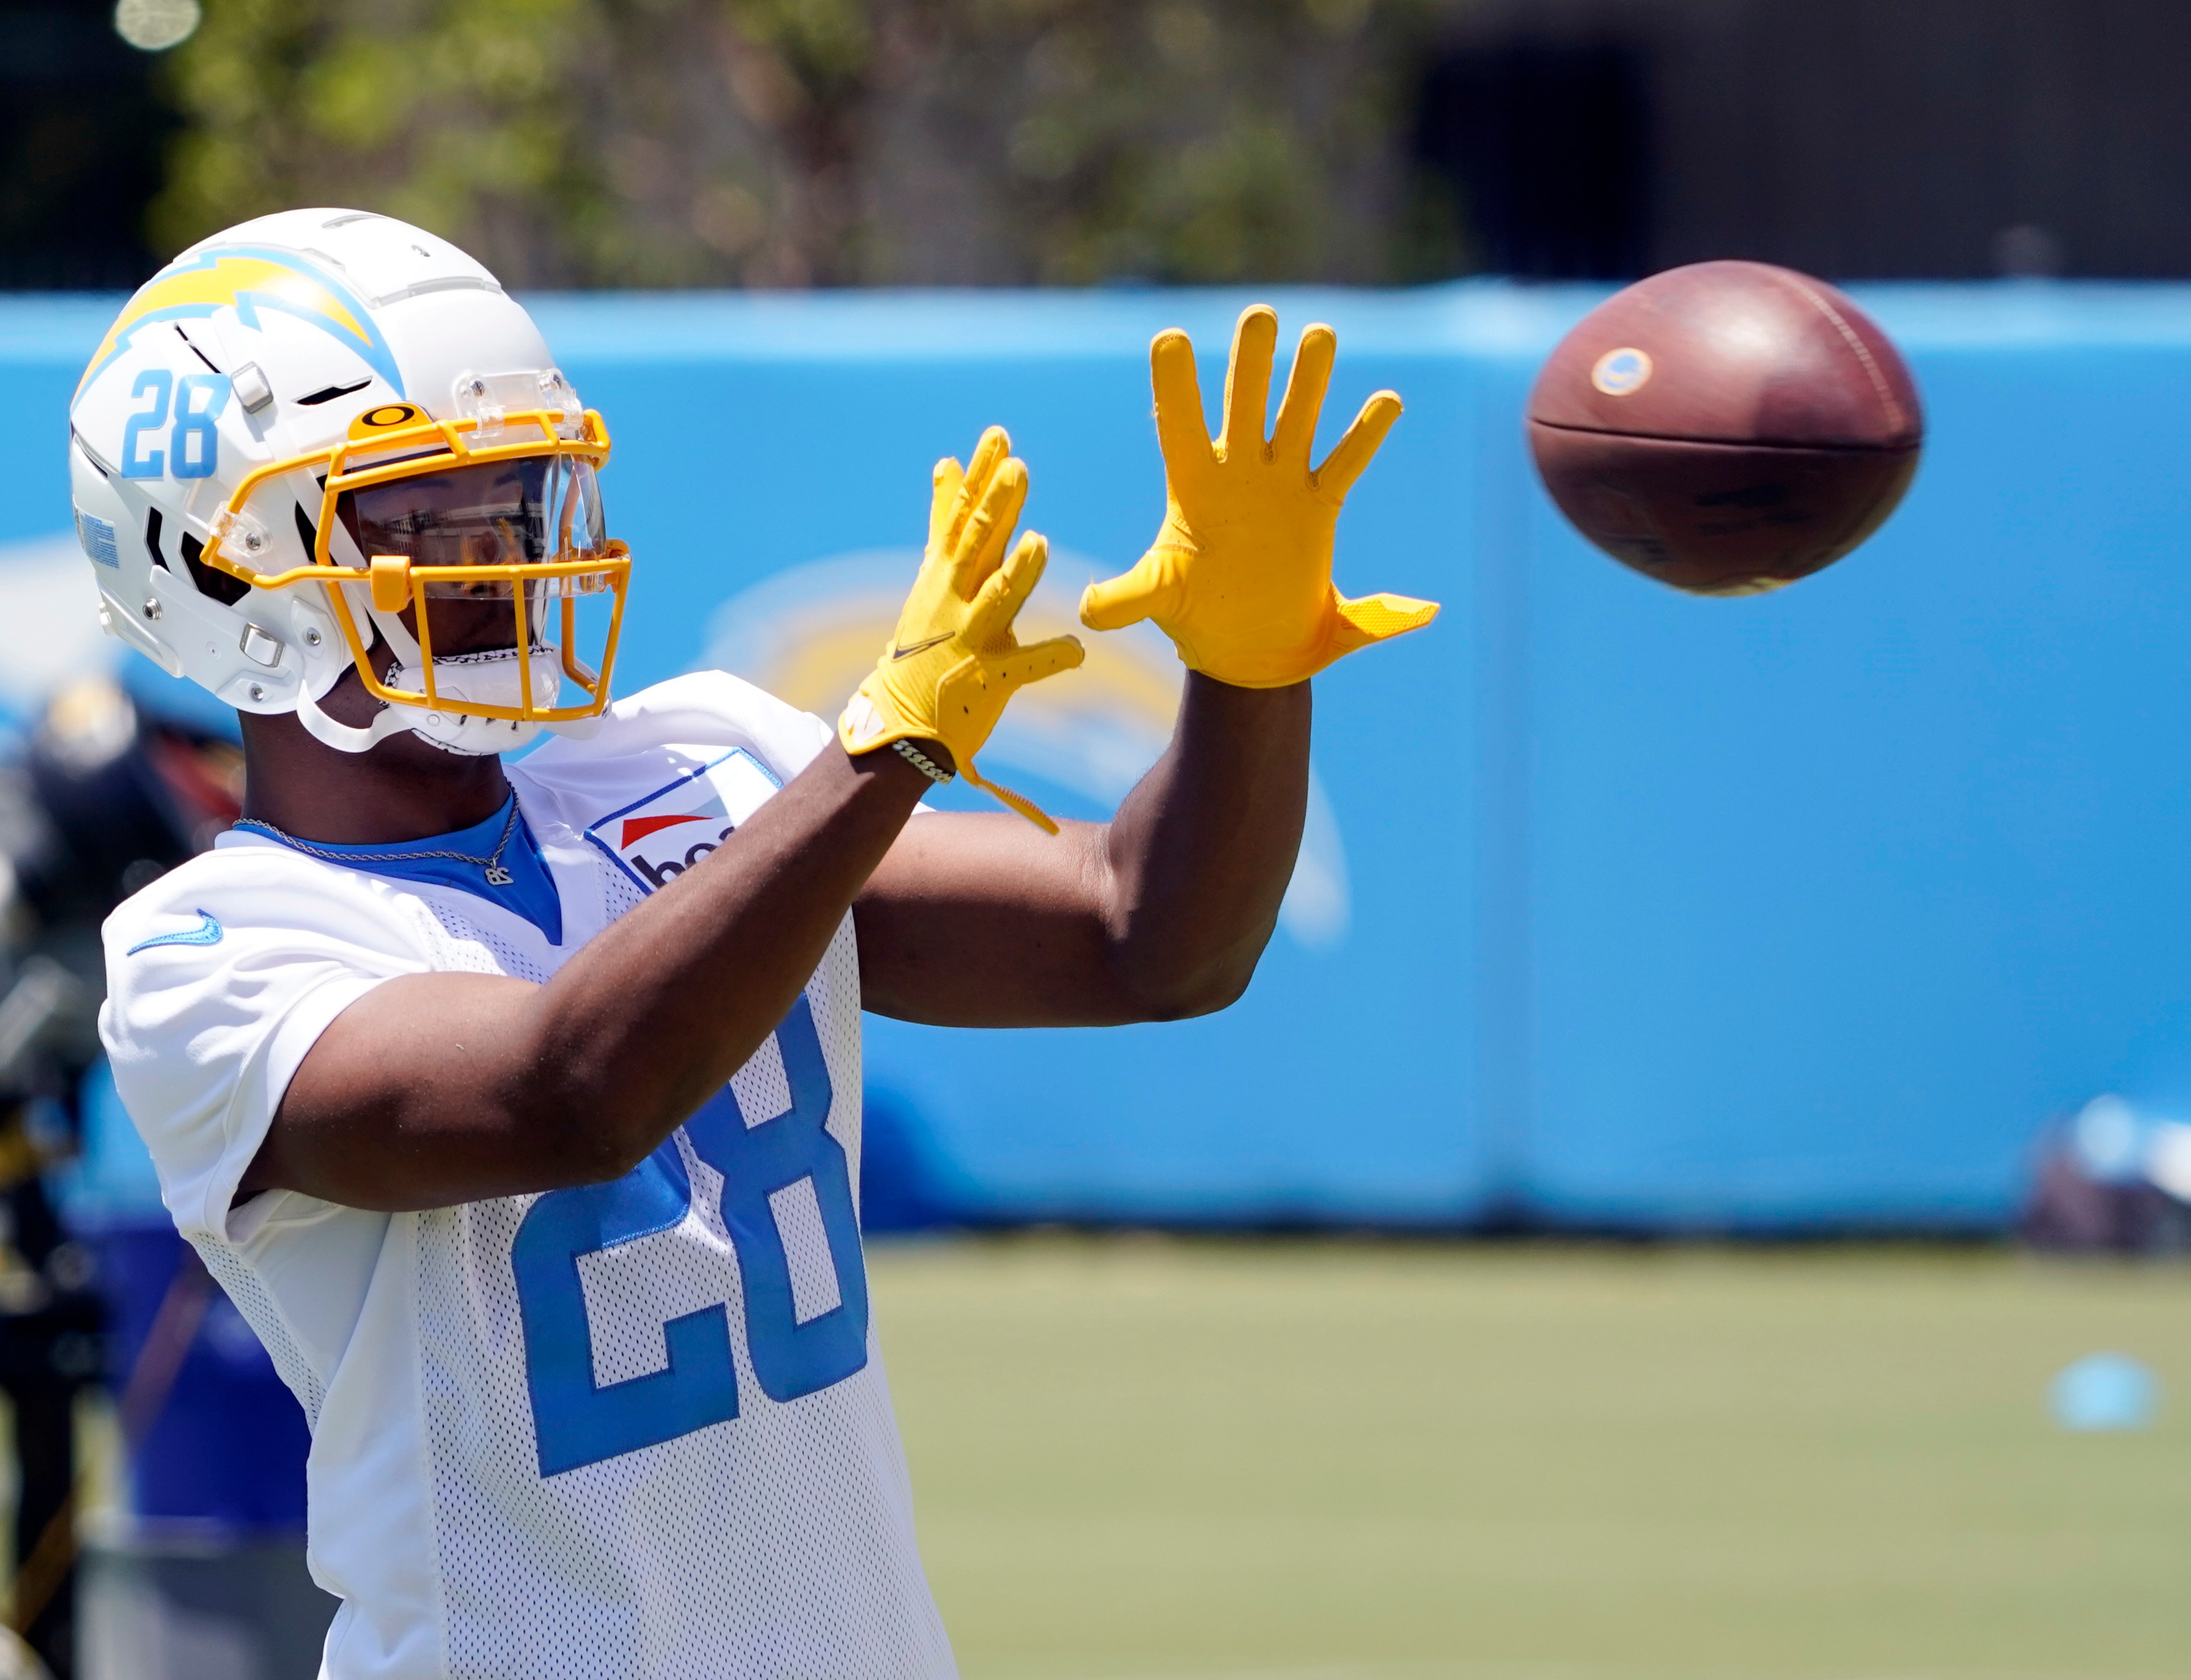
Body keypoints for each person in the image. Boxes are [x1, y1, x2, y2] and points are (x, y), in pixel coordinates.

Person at [79, 208, 1435, 1680]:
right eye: (417, 517)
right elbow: (571, 1092)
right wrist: (880, 758)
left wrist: (1246, 672)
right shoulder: (210, 956)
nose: (499, 558)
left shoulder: (700, 761)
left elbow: (1147, 936)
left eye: (514, 498)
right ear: (213, 577)